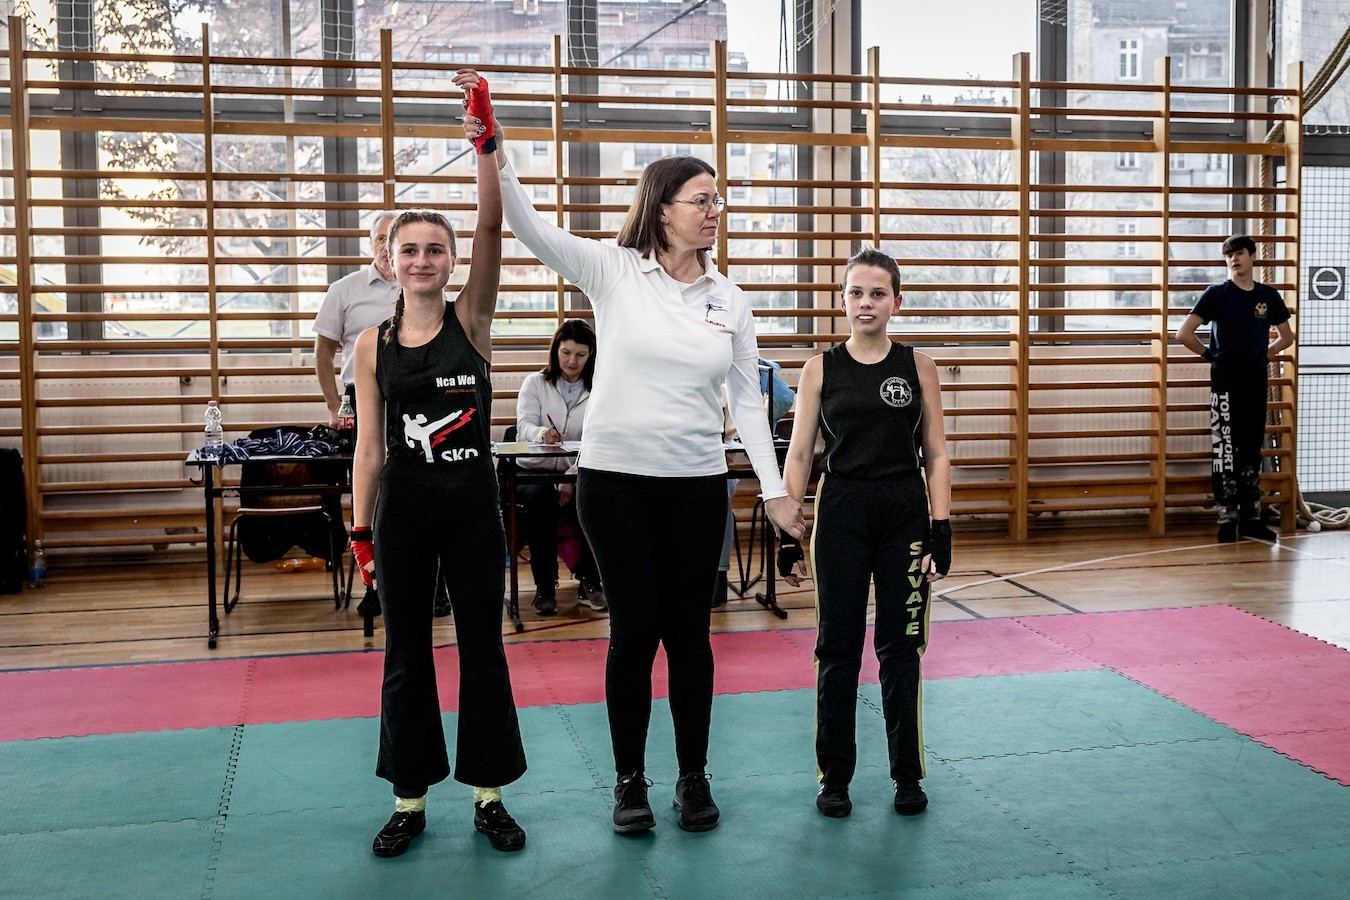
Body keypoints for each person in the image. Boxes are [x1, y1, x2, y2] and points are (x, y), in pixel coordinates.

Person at [473, 78, 805, 835]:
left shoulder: (731, 297)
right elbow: (525, 224)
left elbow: (748, 402)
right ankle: (629, 783)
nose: (715, 209)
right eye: (702, 199)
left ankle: (693, 778)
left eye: (719, 199)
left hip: (694, 485)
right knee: (634, 633)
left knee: (690, 634)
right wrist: (494, 144)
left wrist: (776, 489)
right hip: (615, 484)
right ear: (662, 208)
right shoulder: (614, 272)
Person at [349, 70, 528, 858]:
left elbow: (494, 227)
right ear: (387, 261)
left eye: (435, 248)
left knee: (483, 648)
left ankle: (488, 795)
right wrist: (360, 531)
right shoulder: (370, 344)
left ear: (452, 260)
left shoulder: (474, 321)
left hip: (471, 505)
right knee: (405, 653)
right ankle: (410, 799)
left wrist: (486, 141)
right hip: (404, 509)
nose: (422, 259)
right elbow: (370, 445)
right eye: (408, 249)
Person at [781, 247, 951, 820]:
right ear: (843, 300)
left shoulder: (918, 366)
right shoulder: (820, 369)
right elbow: (801, 451)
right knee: (838, 647)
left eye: (878, 293)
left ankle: (907, 775)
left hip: (903, 513)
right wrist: (789, 526)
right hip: (843, 513)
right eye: (856, 292)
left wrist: (942, 527)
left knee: (901, 648)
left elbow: (938, 454)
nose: (866, 303)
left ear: (896, 302)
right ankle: (835, 776)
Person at [1176, 234, 1295, 543]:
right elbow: (1184, 333)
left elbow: (1286, 336)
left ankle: (1252, 518)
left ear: (1252, 256)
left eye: (1239, 253)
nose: (1233, 259)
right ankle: (1227, 519)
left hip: (1254, 378)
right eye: (1229, 255)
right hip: (1225, 380)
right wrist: (1210, 355)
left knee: (1251, 448)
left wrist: (1264, 355)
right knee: (1225, 447)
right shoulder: (1216, 294)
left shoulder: (1268, 296)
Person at [515, 318, 606, 615]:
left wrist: (568, 480)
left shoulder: (600, 389)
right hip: (533, 470)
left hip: (577, 471)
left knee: (594, 500)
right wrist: (542, 434)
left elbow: (598, 439)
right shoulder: (536, 383)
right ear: (555, 351)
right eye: (566, 353)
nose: (572, 361)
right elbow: (525, 425)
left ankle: (590, 582)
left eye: (580, 355)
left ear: (591, 355)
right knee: (541, 502)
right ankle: (545, 587)